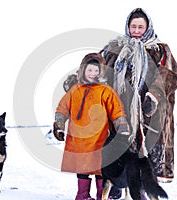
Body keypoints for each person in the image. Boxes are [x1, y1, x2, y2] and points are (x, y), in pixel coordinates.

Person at [100, 8, 177, 199]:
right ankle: (117, 183)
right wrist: (77, 80)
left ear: (147, 28)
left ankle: (143, 188)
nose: (136, 30)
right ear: (128, 27)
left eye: (140, 27)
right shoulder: (115, 48)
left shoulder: (160, 49)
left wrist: (153, 96)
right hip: (119, 109)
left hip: (148, 111)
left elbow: (170, 74)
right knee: (116, 148)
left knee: (145, 153)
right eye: (133, 26)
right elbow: (95, 66)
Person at [53, 53, 132, 200]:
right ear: (83, 70)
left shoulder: (106, 91)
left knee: (101, 169)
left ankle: (101, 195)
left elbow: (117, 111)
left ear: (101, 72)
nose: (93, 74)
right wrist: (59, 125)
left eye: (97, 71)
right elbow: (62, 108)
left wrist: (122, 130)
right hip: (78, 139)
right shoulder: (75, 90)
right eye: (90, 70)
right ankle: (82, 195)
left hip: (99, 139)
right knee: (82, 168)